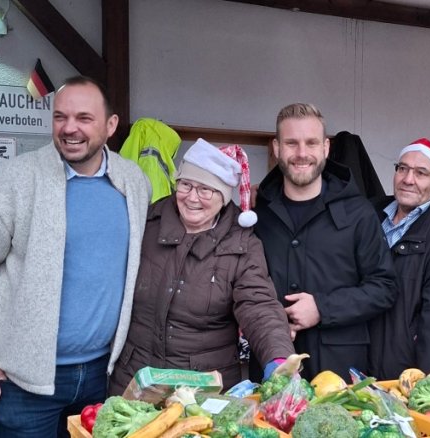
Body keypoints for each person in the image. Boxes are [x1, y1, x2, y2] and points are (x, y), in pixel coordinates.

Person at [0, 75, 151, 436]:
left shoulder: (133, 181)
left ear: (111, 125)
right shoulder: (10, 182)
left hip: (103, 376)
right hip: (23, 384)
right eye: (60, 117)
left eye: (83, 119)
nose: (69, 128)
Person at [109, 139, 295, 393]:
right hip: (136, 380)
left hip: (202, 391)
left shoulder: (242, 244)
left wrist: (279, 359)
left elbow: (258, 305)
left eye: (206, 189)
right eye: (186, 184)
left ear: (223, 196)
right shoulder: (147, 223)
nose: (192, 197)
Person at [253, 103, 397, 380]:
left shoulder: (359, 212)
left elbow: (385, 287)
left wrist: (322, 307)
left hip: (340, 368)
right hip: (273, 364)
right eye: (291, 143)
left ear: (326, 148)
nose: (302, 153)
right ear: (276, 147)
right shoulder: (260, 214)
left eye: (311, 143)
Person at [368, 138, 430, 380]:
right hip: (354, 357)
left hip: (401, 370)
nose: (408, 179)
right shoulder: (368, 215)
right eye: (402, 168)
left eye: (421, 173)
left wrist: (426, 384)